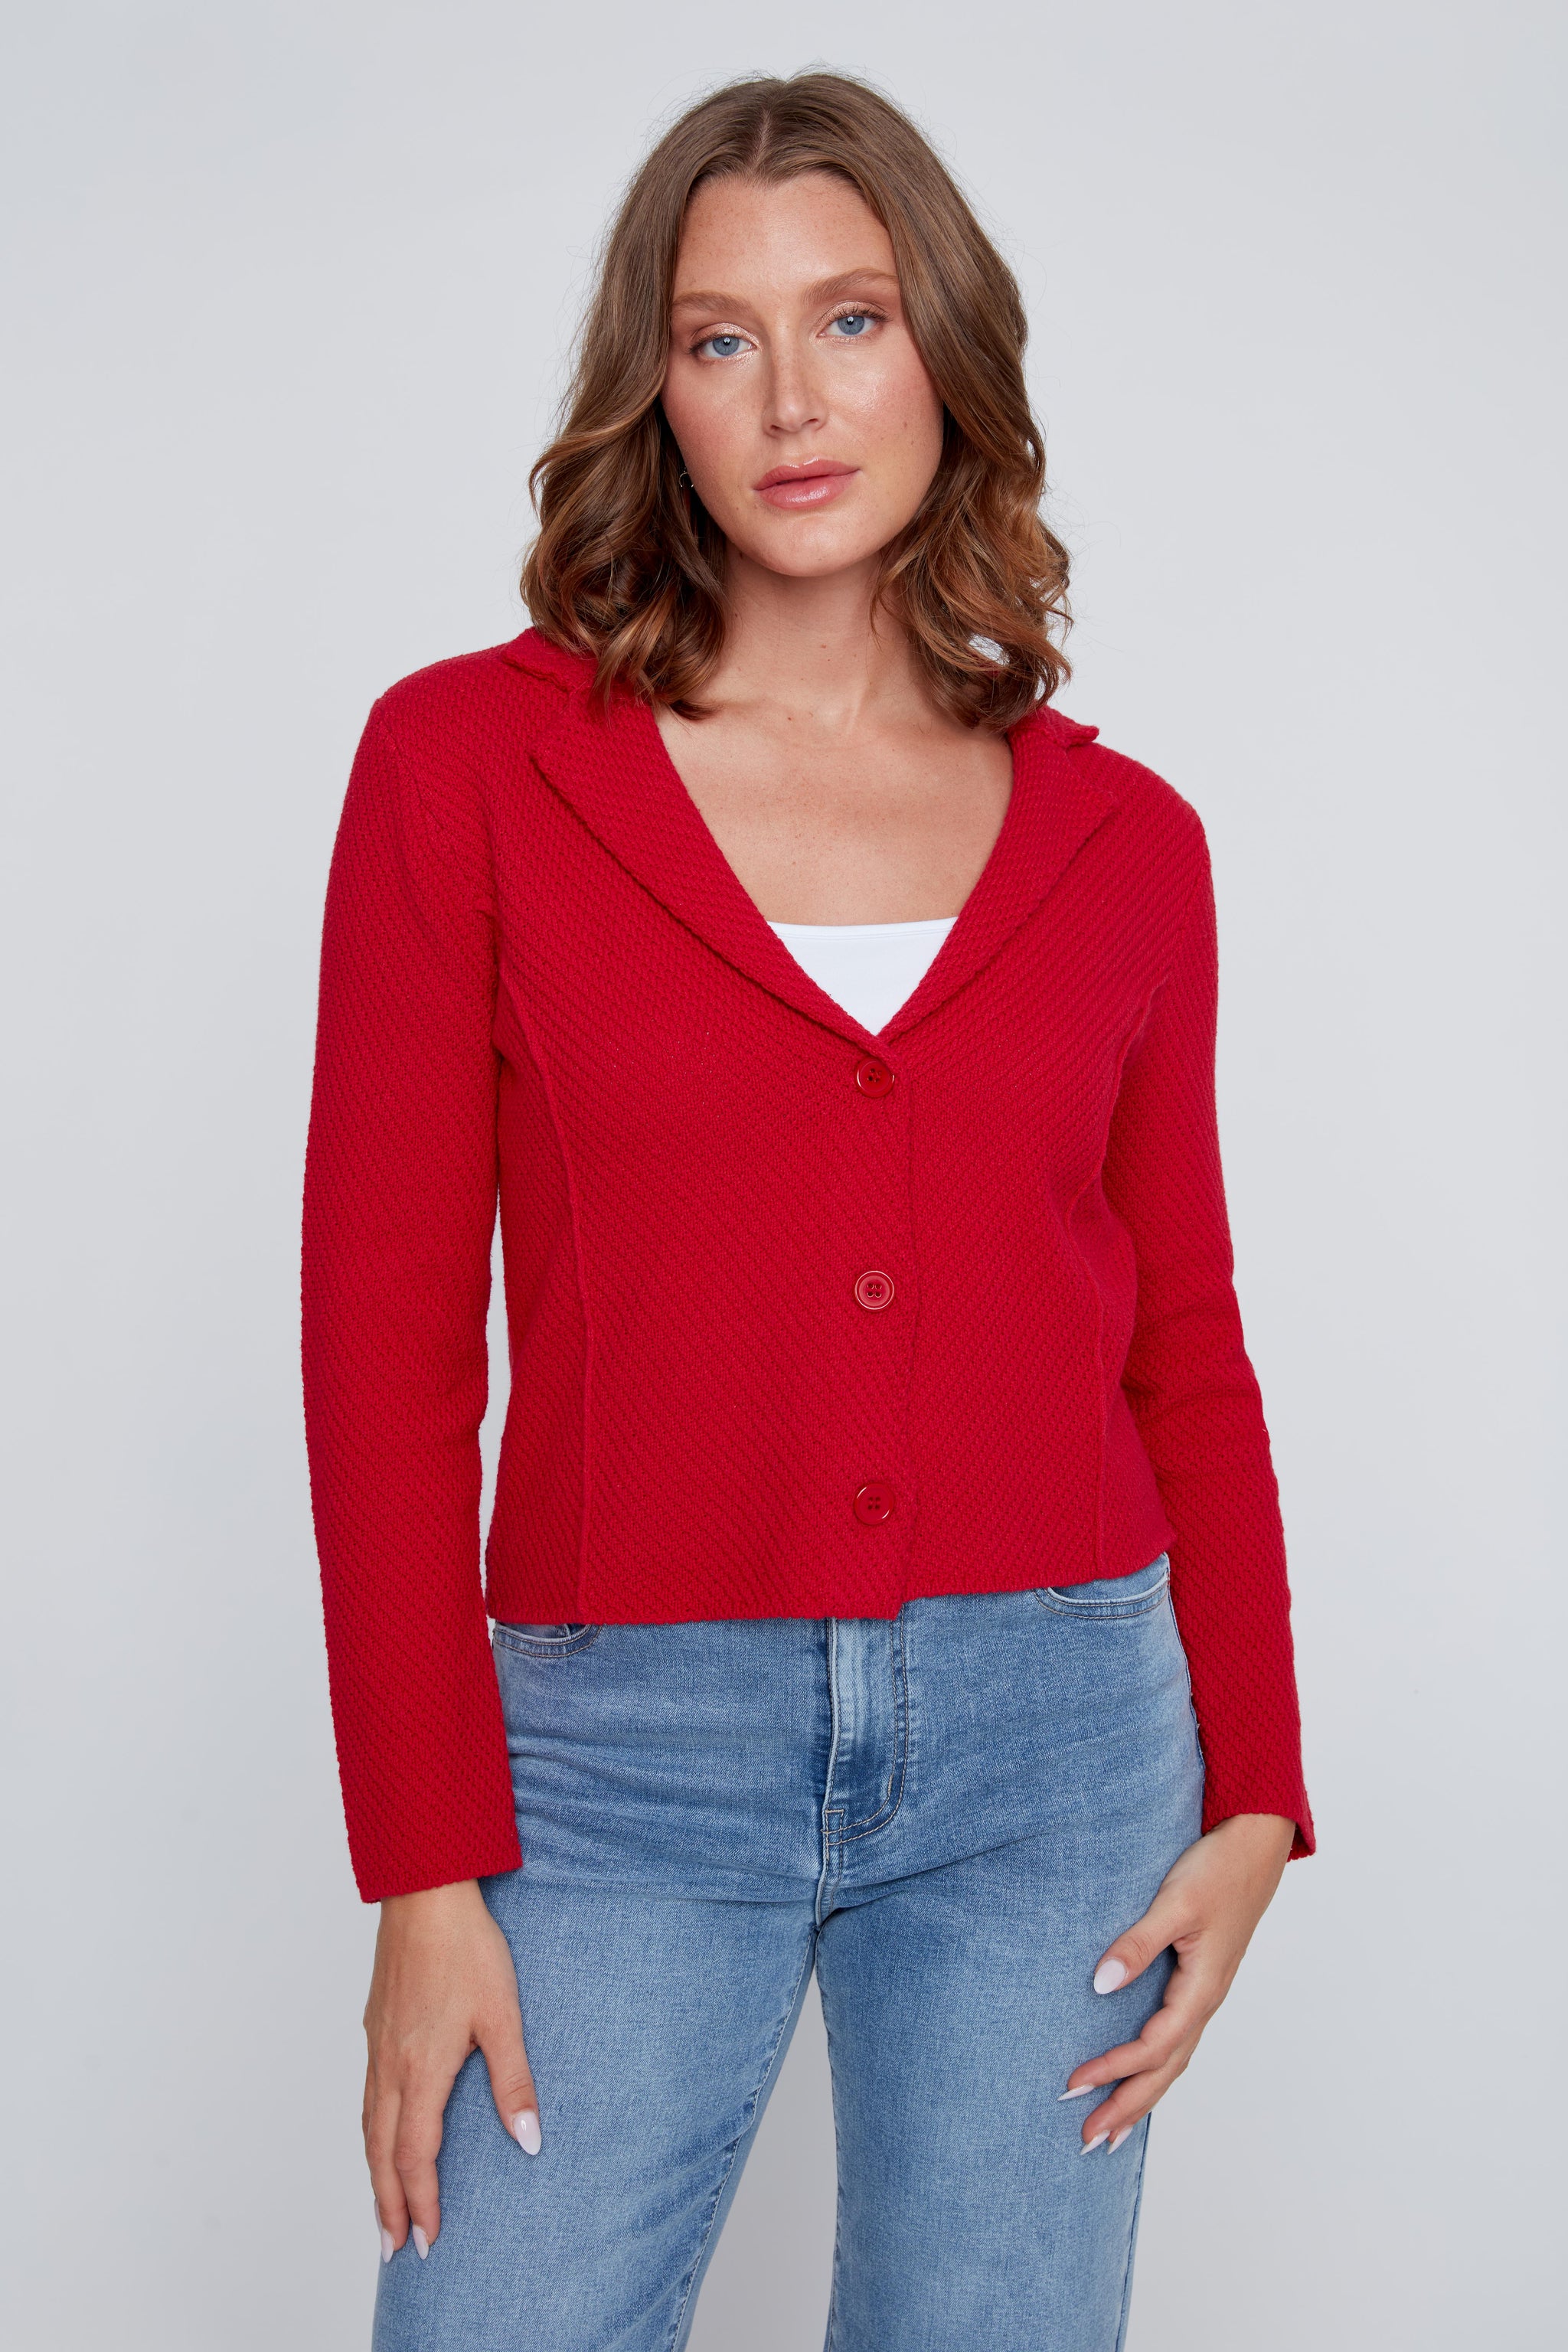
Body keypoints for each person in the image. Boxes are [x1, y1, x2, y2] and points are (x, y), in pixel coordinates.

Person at [301, 68, 1314, 2352]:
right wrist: (424, 1863)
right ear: (652, 387)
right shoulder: (470, 770)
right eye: (719, 335)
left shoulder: (1123, 844)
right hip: (615, 1755)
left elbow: (1186, 1333)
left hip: (1061, 1745)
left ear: (946, 347)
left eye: (851, 318)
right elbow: (379, 1342)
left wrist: (1255, 1783)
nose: (791, 399)